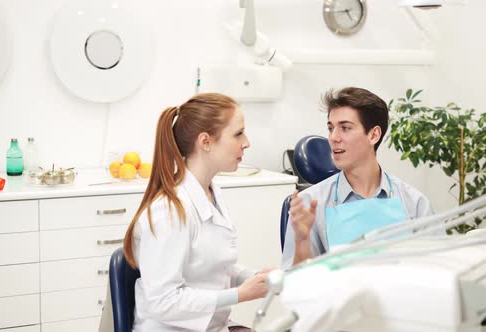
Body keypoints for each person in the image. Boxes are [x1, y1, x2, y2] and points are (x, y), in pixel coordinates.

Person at [123, 93, 269, 332]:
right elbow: (163, 302)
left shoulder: (211, 192)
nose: (247, 142)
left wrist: (254, 279)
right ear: (206, 141)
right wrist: (239, 294)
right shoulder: (169, 211)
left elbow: (213, 266)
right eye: (238, 133)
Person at [282, 87, 435, 269]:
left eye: (345, 128)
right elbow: (295, 285)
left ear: (373, 135)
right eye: (331, 128)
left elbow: (438, 272)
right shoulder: (310, 204)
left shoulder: (414, 204)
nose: (333, 138)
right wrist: (302, 240)